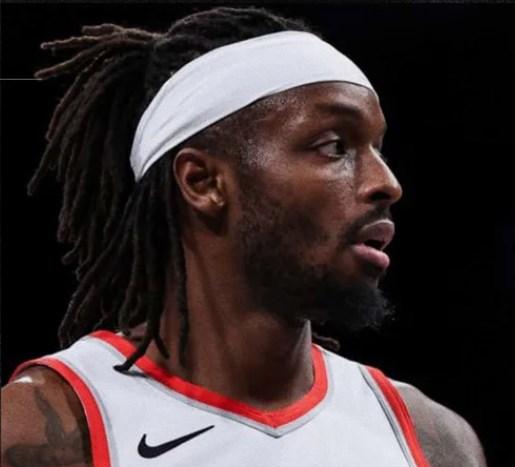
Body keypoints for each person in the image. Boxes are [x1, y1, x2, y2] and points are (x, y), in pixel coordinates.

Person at [1, 6, 487, 467]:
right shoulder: (50, 427)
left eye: (377, 148)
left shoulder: (432, 440)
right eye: (335, 146)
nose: (387, 183)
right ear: (203, 182)